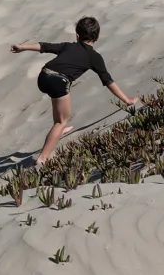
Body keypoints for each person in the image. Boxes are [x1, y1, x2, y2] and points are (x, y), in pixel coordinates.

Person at [10, 17, 141, 166]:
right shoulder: (95, 57)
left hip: (44, 75)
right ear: (97, 37)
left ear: (77, 36)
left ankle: (60, 130)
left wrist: (23, 47)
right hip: (59, 81)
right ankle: (43, 157)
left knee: (58, 104)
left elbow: (44, 46)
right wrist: (127, 100)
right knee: (61, 120)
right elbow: (108, 81)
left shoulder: (68, 46)